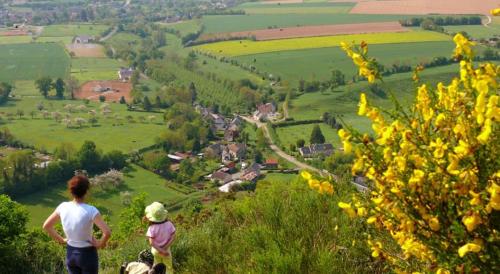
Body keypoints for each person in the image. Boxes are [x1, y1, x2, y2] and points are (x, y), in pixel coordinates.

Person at [43, 175, 111, 274]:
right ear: (86, 191)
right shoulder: (91, 210)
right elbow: (107, 232)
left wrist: (61, 240)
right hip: (87, 255)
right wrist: (100, 244)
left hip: (71, 253)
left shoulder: (63, 207)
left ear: (71, 191)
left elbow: (46, 226)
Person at [144, 202, 176, 273]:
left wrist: (160, 250)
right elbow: (173, 237)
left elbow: (151, 242)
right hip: (166, 250)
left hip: (156, 251)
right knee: (168, 267)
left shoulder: (152, 228)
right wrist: (164, 249)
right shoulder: (169, 224)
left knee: (156, 266)